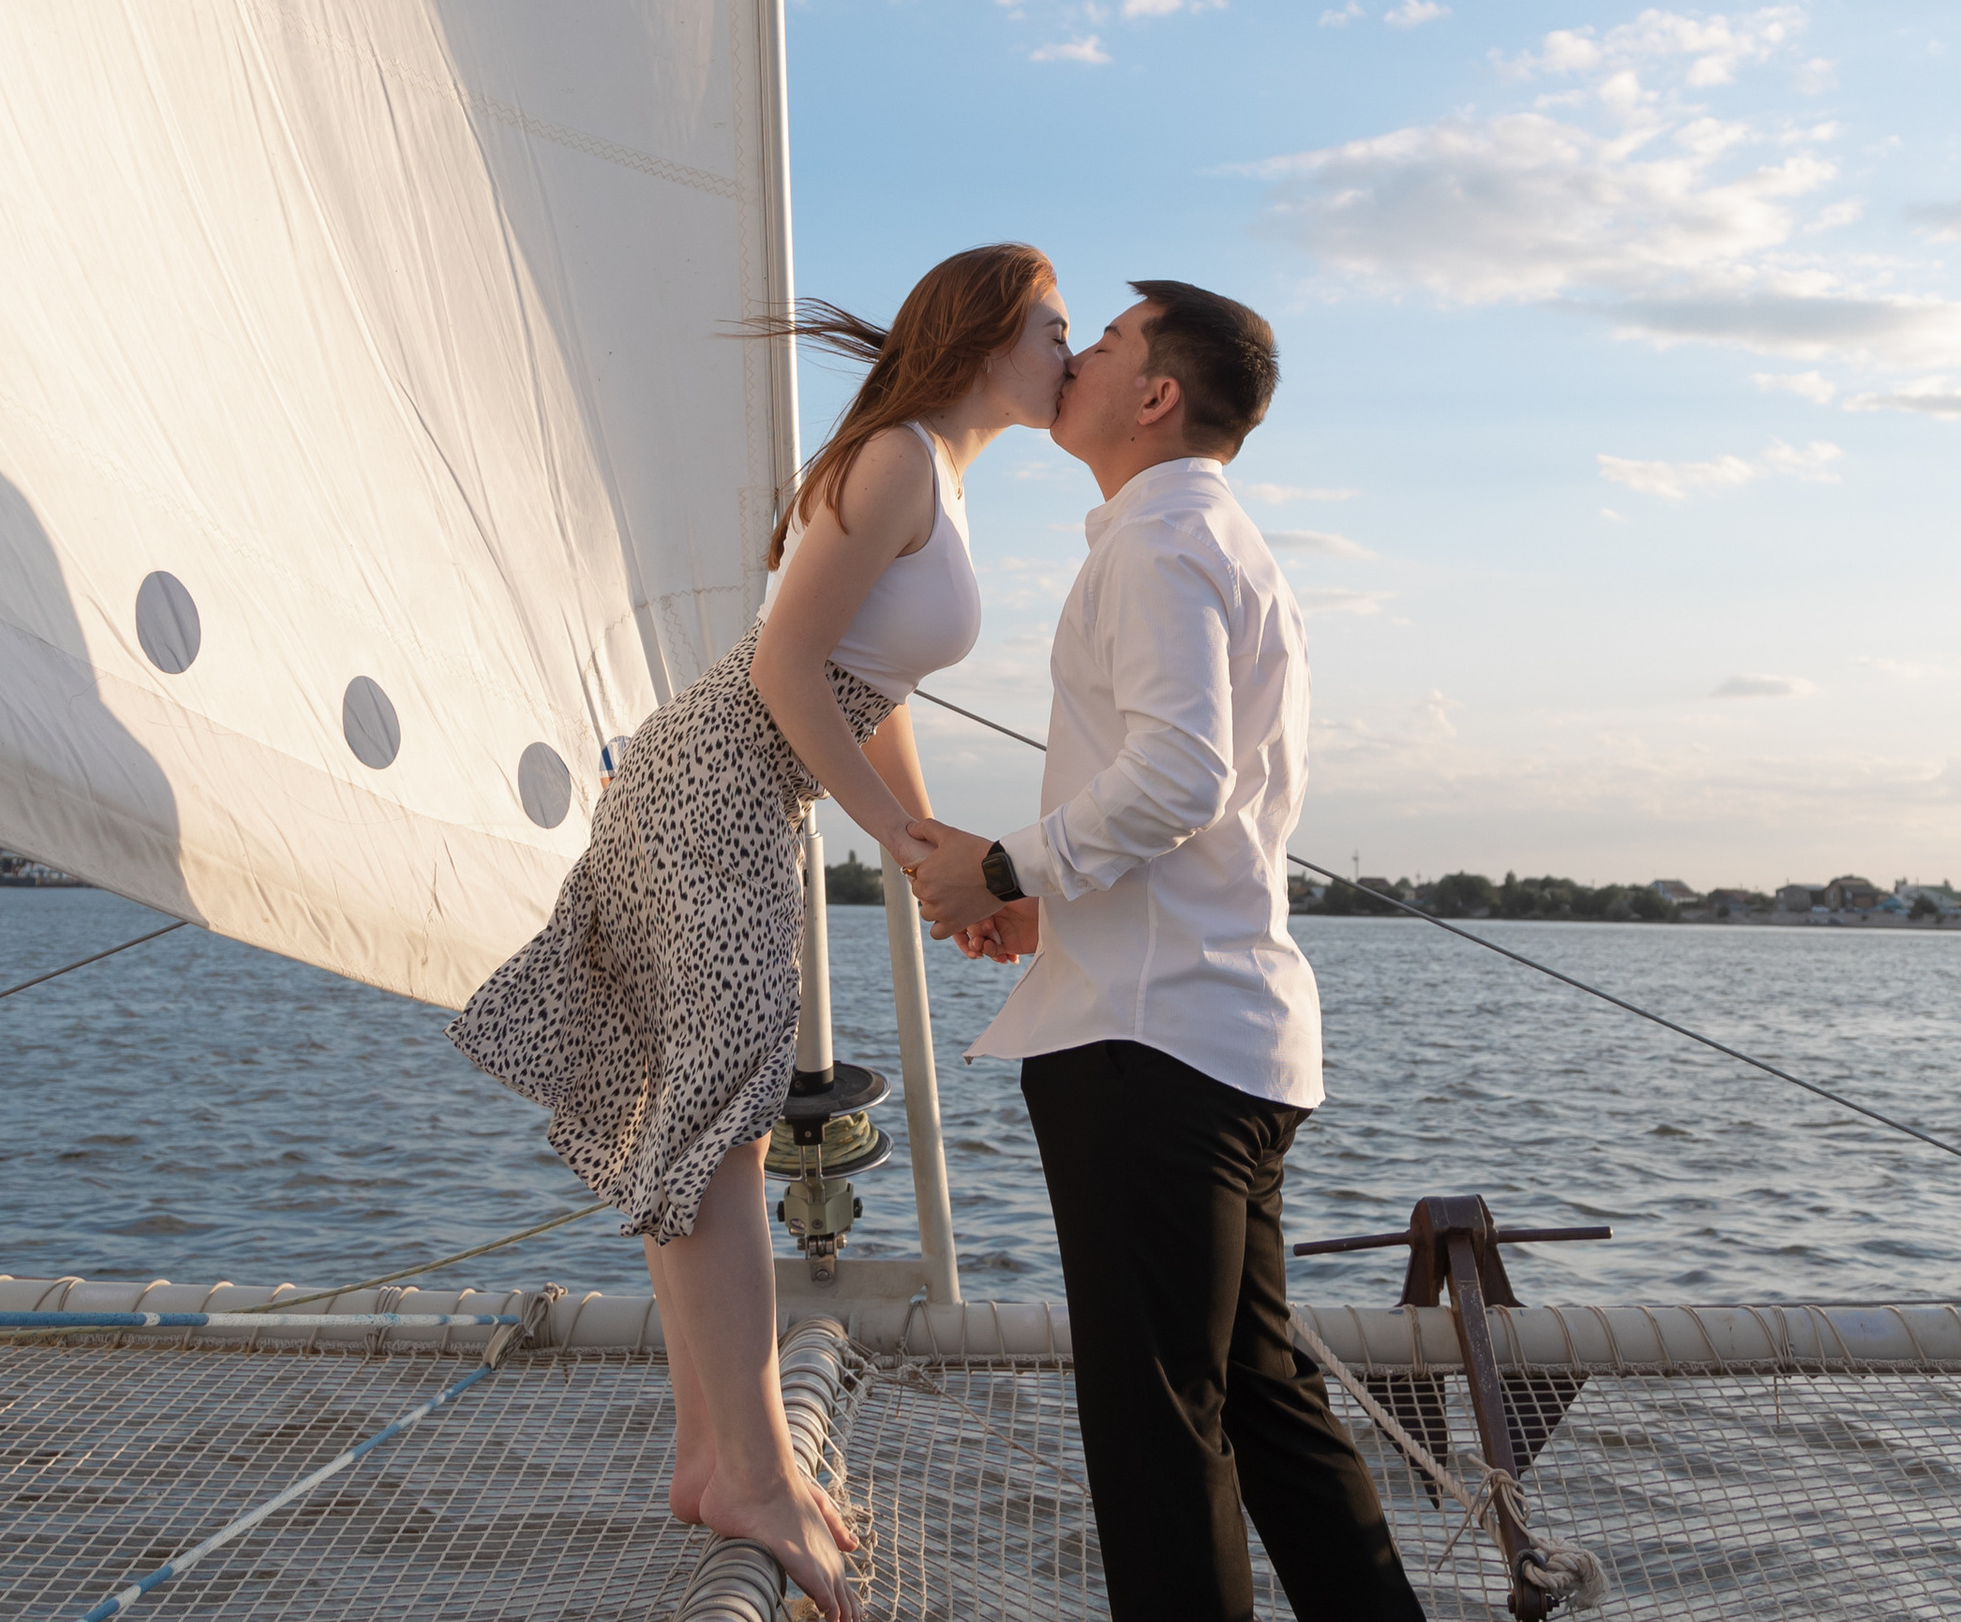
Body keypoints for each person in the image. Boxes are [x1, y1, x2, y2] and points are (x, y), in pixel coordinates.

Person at [450, 244, 1071, 1622]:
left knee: (708, 1126)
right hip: (713, 793)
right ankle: (750, 1472)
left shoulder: (932, 472)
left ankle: (710, 1456)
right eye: (1053, 328)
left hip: (733, 794)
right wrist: (912, 847)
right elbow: (789, 666)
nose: (1069, 354)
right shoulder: (898, 460)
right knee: (719, 1129)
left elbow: (868, 685)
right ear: (985, 339)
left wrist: (936, 855)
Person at [908, 282, 1425, 1622]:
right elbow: (1204, 801)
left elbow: (1181, 778)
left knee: (1158, 1433)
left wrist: (1007, 867)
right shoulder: (1218, 542)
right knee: (1261, 1404)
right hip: (1226, 1036)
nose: (1076, 354)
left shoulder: (1156, 543)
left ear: (1155, 396)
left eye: (1107, 341)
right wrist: (1050, 902)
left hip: (1152, 1051)